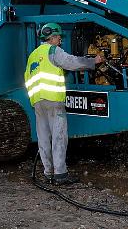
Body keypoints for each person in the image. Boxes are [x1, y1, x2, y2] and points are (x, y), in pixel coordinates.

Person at [24, 22, 104, 185]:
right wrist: (93, 62)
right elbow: (71, 62)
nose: (60, 39)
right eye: (58, 36)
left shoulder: (33, 54)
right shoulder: (53, 51)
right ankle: (60, 174)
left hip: (38, 102)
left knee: (43, 137)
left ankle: (48, 173)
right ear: (51, 37)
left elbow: (27, 77)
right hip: (53, 100)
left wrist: (34, 99)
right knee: (59, 136)